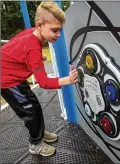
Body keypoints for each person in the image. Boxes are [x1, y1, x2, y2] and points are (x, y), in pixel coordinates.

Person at [1, 1, 78, 157]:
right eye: (55, 30)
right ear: (39, 25)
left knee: (35, 106)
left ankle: (39, 133)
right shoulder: (33, 47)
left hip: (13, 76)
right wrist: (67, 80)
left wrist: (37, 56)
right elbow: (43, 83)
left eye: (60, 30)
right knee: (30, 113)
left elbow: (14, 48)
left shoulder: (32, 34)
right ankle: (35, 144)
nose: (58, 35)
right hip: (8, 82)